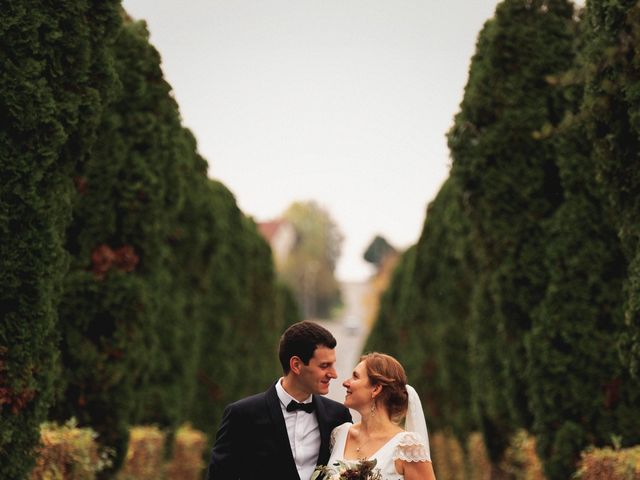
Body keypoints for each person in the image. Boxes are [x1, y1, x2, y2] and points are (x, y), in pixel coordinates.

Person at [206, 320, 353, 480]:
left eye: (333, 365)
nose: (333, 374)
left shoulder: (338, 416)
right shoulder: (242, 415)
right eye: (324, 366)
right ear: (296, 365)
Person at [325, 352, 436, 480]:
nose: (345, 383)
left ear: (376, 389)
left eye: (355, 377)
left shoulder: (407, 447)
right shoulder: (339, 434)